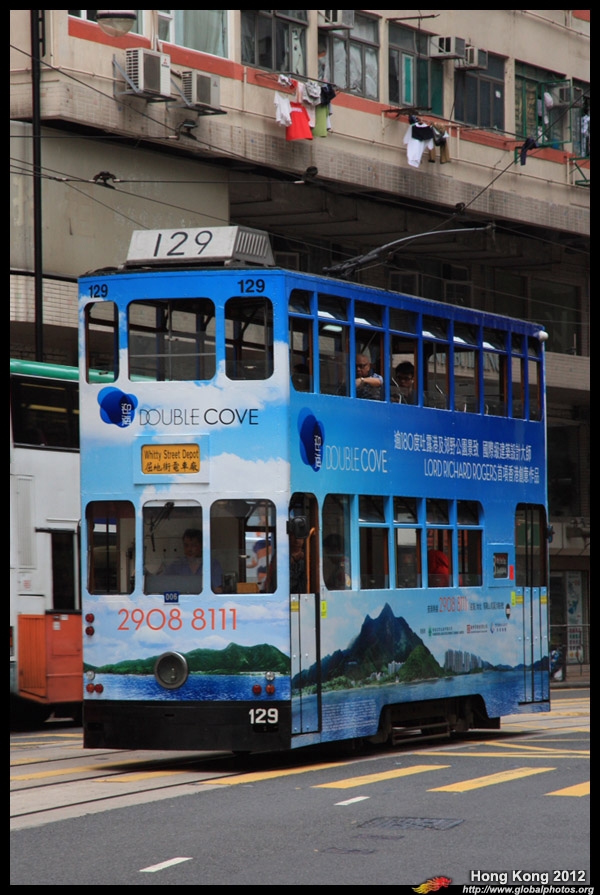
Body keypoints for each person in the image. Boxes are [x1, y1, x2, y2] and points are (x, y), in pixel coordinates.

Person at [164, 528, 223, 593]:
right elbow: (163, 584)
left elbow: (218, 591)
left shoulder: (212, 564)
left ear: (201, 546)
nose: (189, 549)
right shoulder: (177, 565)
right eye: (186, 545)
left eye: (193, 545)